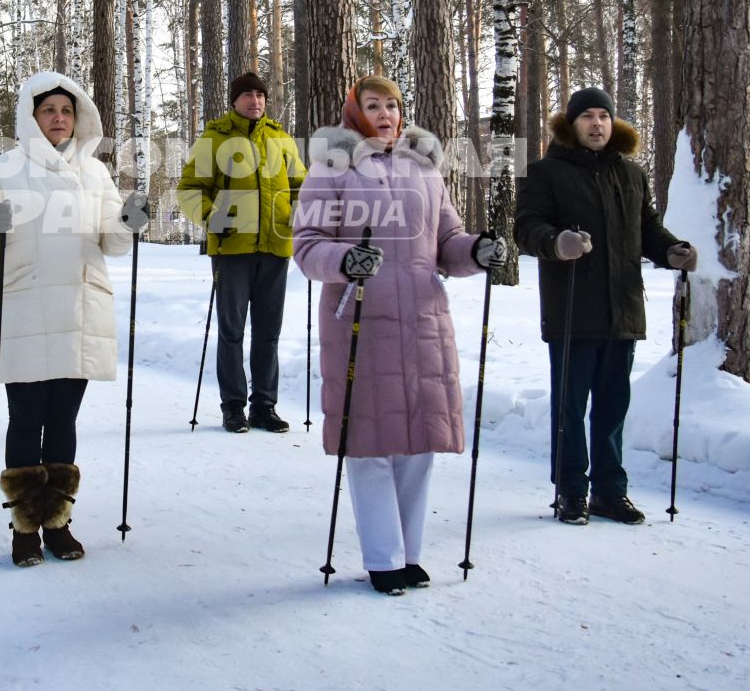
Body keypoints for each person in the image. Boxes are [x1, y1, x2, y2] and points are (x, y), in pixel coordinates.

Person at [292, 76, 509, 595]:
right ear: (354, 113)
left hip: (423, 320)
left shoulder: (424, 168)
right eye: (374, 106)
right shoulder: (332, 166)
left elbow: (447, 239)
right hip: (361, 319)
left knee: (418, 443)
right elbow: (306, 244)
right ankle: (383, 557)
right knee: (369, 444)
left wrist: (475, 252)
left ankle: (410, 555)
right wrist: (346, 260)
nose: (386, 114)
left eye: (392, 105)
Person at [0, 71, 150, 567]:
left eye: (67, 111)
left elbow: (112, 241)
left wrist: (129, 220)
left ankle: (57, 523)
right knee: (26, 420)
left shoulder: (95, 173)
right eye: (49, 110)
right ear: (31, 116)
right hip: (24, 306)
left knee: (63, 421)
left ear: (79, 117)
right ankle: (24, 527)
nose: (59, 119)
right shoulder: (3, 168)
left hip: (78, 308)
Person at [514, 86, 697, 526]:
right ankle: (571, 492)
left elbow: (647, 226)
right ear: (570, 124)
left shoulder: (630, 174)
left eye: (603, 116)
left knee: (613, 408)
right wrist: (557, 242)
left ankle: (611, 492)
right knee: (570, 409)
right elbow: (527, 227)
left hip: (623, 309)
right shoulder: (547, 173)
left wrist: (671, 250)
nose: (596, 123)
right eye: (587, 117)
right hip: (572, 309)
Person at [176, 71, 307, 433]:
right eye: (247, 94)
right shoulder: (214, 138)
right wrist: (209, 216)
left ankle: (265, 405)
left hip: (275, 246)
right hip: (231, 247)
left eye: (260, 95)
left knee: (268, 332)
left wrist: (294, 218)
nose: (256, 100)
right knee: (231, 331)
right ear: (234, 101)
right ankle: (233, 407)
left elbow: (302, 189)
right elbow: (189, 188)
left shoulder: (281, 138)